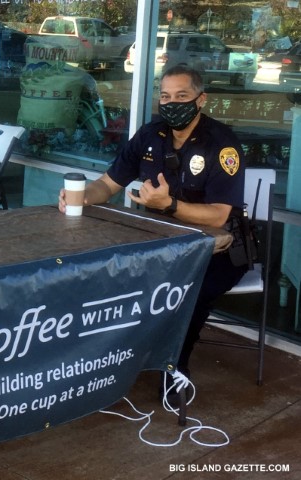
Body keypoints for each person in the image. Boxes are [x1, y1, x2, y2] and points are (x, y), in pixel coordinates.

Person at [58, 65, 248, 398]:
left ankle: (174, 366)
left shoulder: (222, 144)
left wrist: (169, 205)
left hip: (218, 249)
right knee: (111, 273)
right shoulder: (150, 135)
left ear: (201, 100)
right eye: (165, 96)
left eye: (182, 96)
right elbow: (108, 183)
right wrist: (84, 196)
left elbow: (219, 216)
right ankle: (111, 360)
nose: (172, 103)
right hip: (160, 241)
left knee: (191, 290)